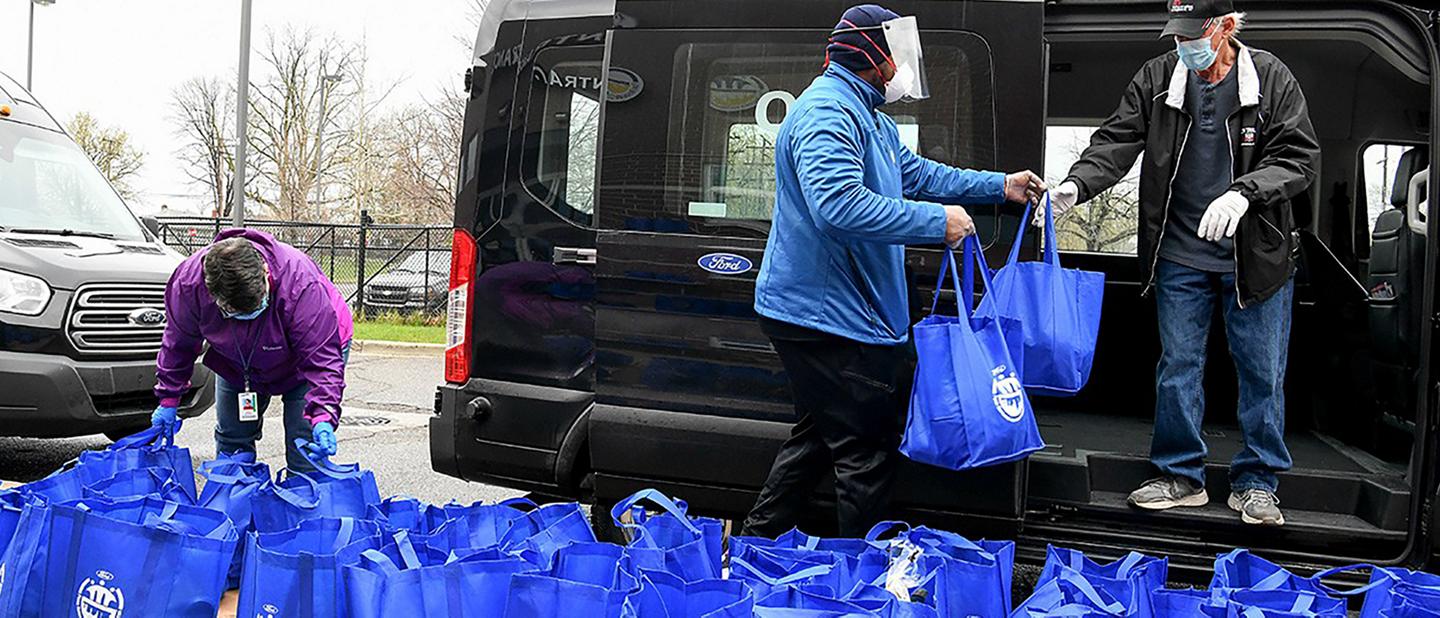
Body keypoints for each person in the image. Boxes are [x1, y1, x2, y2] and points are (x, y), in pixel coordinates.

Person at [741, 3, 1046, 538]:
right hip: (826, 315)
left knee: (819, 438)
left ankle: (751, 547)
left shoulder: (868, 118)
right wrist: (937, 223)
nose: (905, 69)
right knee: (866, 453)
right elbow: (837, 206)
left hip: (841, 311)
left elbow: (920, 173)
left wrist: (1000, 186)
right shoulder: (826, 113)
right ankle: (861, 578)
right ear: (873, 57)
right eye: (899, 55)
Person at [1043, 0, 1319, 525]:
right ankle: (1180, 476)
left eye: (1196, 34)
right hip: (1179, 254)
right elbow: (1117, 139)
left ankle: (1257, 483)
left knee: (1262, 372)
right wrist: (1077, 185)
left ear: (1226, 27)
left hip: (1255, 256)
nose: (1185, 45)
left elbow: (1297, 159)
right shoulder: (1157, 77)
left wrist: (1244, 193)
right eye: (1178, 36)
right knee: (1178, 368)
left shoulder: (1271, 78)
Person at [151, 228, 354, 472]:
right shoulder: (188, 284)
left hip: (305, 359)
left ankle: (305, 504)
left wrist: (323, 413)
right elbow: (178, 341)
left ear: (265, 273)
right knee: (232, 442)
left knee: (305, 445)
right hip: (235, 361)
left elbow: (322, 361)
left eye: (253, 309)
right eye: (234, 313)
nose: (246, 319)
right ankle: (236, 503)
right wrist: (169, 398)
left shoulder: (299, 284)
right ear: (212, 293)